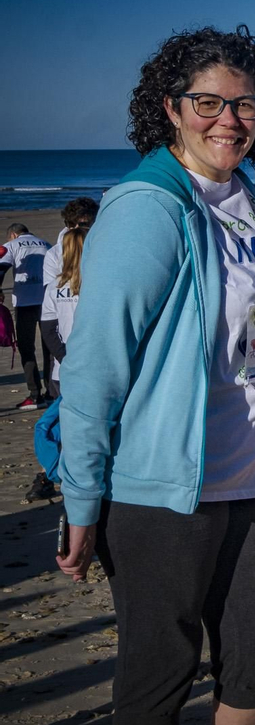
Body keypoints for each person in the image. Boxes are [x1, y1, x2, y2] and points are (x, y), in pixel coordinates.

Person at [55, 24, 255, 725]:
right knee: (160, 666)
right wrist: (81, 496)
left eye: (246, 104)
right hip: (165, 487)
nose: (228, 119)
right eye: (208, 103)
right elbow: (95, 367)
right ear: (170, 108)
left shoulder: (252, 203)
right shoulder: (148, 209)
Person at [29, 198, 98, 502]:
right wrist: (71, 361)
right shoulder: (81, 273)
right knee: (77, 427)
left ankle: (64, 478)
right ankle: (64, 477)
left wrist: (66, 360)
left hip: (70, 366)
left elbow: (48, 329)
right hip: (79, 368)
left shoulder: (62, 283)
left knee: (70, 426)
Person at [0, 223, 53, 408]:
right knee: (49, 348)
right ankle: (51, 393)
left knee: (26, 347)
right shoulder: (45, 244)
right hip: (47, 301)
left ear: (13, 235)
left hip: (25, 301)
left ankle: (35, 395)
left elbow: (1, 267)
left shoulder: (12, 246)